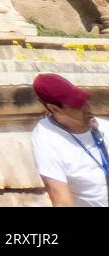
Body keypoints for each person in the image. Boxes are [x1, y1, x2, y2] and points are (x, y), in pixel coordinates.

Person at [30, 73, 108, 207]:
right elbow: (61, 200)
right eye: (77, 105)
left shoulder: (104, 128)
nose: (87, 109)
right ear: (54, 108)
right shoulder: (46, 141)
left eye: (84, 101)